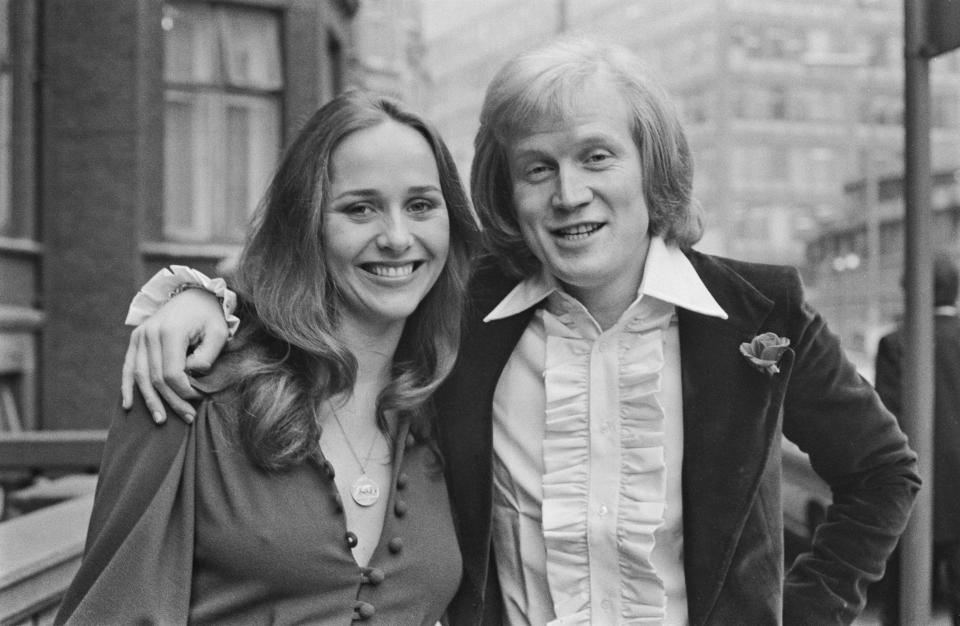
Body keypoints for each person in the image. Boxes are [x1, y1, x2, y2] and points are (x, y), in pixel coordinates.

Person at [120, 37, 919, 625]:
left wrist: (808, 616)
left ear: (651, 165)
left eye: (597, 157)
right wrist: (202, 300)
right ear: (508, 190)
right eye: (538, 168)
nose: (570, 194)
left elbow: (882, 471)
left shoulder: (757, 316)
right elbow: (340, 287)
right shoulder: (463, 313)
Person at [56, 89, 479, 624]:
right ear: (306, 224)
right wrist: (203, 291)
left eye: (420, 205)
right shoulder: (190, 385)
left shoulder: (453, 401)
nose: (397, 237)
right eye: (360, 208)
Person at [875, 252, 960, 626]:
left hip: (915, 496)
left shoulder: (896, 344)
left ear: (914, 292)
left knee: (904, 603)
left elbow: (889, 425)